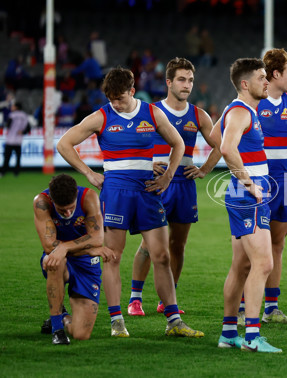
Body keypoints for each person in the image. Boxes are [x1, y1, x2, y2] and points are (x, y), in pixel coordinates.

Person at [57, 67, 203, 338]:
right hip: (116, 194)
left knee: (161, 255)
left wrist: (168, 177)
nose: (115, 103)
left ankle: (173, 321)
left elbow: (178, 144)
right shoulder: (101, 116)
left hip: (147, 192)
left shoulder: (151, 113)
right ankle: (117, 322)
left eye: (120, 98)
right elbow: (65, 144)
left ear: (132, 91)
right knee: (112, 257)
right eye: (111, 98)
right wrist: (89, 173)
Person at [126, 57, 221, 316]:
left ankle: (169, 297)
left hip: (184, 185)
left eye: (190, 80)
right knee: (148, 245)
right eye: (181, 79)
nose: (187, 84)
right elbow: (129, 142)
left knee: (178, 245)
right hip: (156, 184)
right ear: (168, 82)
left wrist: (204, 169)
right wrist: (146, 164)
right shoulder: (151, 111)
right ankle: (135, 298)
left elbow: (220, 145)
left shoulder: (198, 115)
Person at [209, 58, 281, 352]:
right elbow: (225, 147)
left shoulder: (236, 109)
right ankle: (252, 337)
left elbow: (215, 137)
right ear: (245, 83)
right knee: (264, 263)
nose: (267, 82)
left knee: (241, 266)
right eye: (262, 77)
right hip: (248, 193)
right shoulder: (240, 111)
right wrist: (250, 183)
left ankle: (229, 334)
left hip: (243, 192)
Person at [34, 173, 115, 345]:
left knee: (81, 333)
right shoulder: (42, 202)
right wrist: (89, 250)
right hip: (64, 260)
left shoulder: (89, 197)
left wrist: (64, 247)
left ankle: (62, 317)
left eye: (71, 207)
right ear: (52, 200)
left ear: (76, 197)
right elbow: (50, 247)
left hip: (86, 264)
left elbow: (97, 239)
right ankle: (57, 330)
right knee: (54, 261)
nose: (68, 212)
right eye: (62, 210)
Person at [255, 48, 287, 324]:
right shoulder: (254, 101)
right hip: (258, 180)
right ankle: (240, 308)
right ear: (276, 74)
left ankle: (271, 308)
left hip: (283, 179)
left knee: (278, 243)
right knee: (251, 246)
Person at [1, 102, 30, 177]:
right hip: (18, 140)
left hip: (10, 139)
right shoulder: (24, 115)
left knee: (7, 157)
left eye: (13, 106)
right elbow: (28, 128)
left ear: (16, 107)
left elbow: (8, 125)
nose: (12, 107)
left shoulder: (12, 115)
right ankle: (16, 173)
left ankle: (3, 172)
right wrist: (23, 132)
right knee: (18, 158)